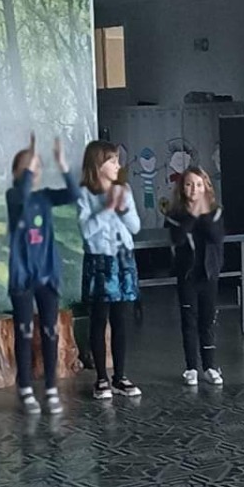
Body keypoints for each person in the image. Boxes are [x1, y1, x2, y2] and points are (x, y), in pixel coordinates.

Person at [6, 133, 78, 416]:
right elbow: (23, 193)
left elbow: (74, 194)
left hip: (47, 275)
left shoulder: (45, 197)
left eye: (37, 167)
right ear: (16, 173)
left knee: (50, 331)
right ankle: (25, 387)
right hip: (22, 277)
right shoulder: (14, 196)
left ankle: (50, 387)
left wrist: (62, 164)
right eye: (27, 168)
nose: (33, 171)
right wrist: (31, 157)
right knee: (24, 331)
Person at [77, 140, 141, 401]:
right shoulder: (85, 193)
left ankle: (120, 376)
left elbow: (135, 227)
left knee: (121, 319)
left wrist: (123, 208)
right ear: (97, 164)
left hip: (124, 260)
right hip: (100, 262)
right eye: (112, 160)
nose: (117, 165)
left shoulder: (124, 189)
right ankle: (101, 377)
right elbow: (86, 231)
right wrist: (107, 208)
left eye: (117, 160)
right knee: (99, 318)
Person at [165, 166, 225, 388]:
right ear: (182, 188)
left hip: (208, 275)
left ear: (206, 187)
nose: (193, 189)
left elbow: (216, 236)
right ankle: (191, 367)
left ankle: (210, 366)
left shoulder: (215, 212)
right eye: (189, 184)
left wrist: (203, 213)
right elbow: (178, 238)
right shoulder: (175, 215)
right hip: (187, 275)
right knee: (189, 320)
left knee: (207, 321)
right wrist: (191, 215)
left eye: (198, 185)